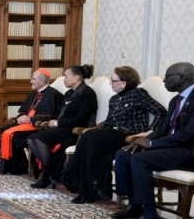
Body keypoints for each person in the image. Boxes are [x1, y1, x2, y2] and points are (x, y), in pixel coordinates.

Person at [113, 62, 194, 219]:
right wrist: (144, 140)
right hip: (175, 148)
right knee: (124, 154)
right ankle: (135, 205)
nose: (164, 80)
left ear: (182, 77)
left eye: (168, 76)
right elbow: (164, 130)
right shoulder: (176, 100)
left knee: (140, 160)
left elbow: (188, 135)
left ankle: (151, 218)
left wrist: (152, 144)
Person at [62, 66, 167, 204]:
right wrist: (93, 129)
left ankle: (73, 176)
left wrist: (151, 130)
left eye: (113, 81)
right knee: (89, 138)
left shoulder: (138, 94)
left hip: (130, 135)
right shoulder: (114, 99)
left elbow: (161, 111)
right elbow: (109, 123)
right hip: (113, 135)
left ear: (124, 82)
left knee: (90, 138)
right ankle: (86, 189)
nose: (110, 84)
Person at [28, 65, 98, 188]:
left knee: (36, 138)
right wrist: (55, 122)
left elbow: (81, 120)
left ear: (76, 78)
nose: (64, 79)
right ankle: (50, 172)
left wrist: (57, 123)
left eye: (66, 76)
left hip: (76, 131)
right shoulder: (69, 93)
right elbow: (62, 114)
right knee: (32, 138)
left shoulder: (87, 94)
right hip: (63, 128)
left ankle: (48, 171)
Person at [0, 69, 63, 175]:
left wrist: (31, 120)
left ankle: (19, 168)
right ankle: (3, 167)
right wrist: (21, 117)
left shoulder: (54, 95)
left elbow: (50, 117)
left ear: (42, 81)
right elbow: (24, 111)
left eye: (33, 79)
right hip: (25, 124)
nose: (31, 81)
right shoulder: (34, 93)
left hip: (39, 126)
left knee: (13, 136)